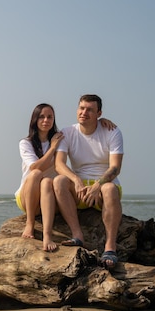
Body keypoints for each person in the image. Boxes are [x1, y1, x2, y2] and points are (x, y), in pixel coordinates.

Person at [15, 103, 116, 252]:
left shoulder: (59, 137)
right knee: (37, 174)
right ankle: (29, 224)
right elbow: (35, 167)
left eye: (50, 117)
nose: (46, 120)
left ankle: (47, 235)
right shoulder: (26, 143)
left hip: (49, 197)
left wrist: (100, 121)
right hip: (28, 197)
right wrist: (52, 148)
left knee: (48, 182)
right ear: (34, 120)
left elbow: (83, 127)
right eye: (41, 117)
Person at [53, 94, 124, 269]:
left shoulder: (112, 131)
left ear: (99, 113)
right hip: (80, 190)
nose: (84, 112)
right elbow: (59, 164)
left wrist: (97, 186)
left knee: (109, 189)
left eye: (90, 110)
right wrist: (76, 180)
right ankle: (77, 236)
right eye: (81, 108)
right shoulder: (68, 132)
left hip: (104, 186)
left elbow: (115, 168)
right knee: (59, 181)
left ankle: (110, 247)